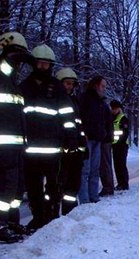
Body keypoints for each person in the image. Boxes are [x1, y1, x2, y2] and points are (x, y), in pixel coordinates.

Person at [0, 31, 32, 243]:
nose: (18, 62)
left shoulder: (10, 80)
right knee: (5, 184)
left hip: (16, 143)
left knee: (17, 186)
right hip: (2, 142)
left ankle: (11, 221)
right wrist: (5, 55)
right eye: (15, 55)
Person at [20, 44, 74, 231]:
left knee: (53, 185)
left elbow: (67, 114)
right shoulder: (24, 87)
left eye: (46, 64)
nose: (42, 67)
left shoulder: (56, 87)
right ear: (34, 64)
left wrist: (71, 137)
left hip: (52, 147)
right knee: (33, 188)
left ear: (50, 66)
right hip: (30, 148)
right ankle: (38, 217)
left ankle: (52, 215)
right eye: (40, 64)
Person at [56, 67, 87, 214]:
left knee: (73, 185)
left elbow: (78, 125)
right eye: (67, 83)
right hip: (62, 150)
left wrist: (82, 145)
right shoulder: (55, 99)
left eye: (72, 84)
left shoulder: (74, 101)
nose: (69, 86)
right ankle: (55, 216)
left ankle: (70, 212)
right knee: (59, 184)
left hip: (75, 150)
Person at [79, 75, 113, 203]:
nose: (104, 89)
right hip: (87, 139)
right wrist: (82, 132)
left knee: (95, 170)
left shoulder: (102, 102)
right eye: (103, 86)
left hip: (98, 139)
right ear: (96, 85)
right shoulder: (85, 98)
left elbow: (107, 119)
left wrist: (105, 134)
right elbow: (79, 117)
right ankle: (84, 200)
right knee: (85, 171)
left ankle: (93, 197)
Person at [109, 100, 129, 191]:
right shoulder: (111, 118)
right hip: (115, 145)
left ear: (119, 109)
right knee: (117, 165)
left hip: (122, 145)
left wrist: (119, 141)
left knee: (121, 164)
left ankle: (124, 184)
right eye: (112, 108)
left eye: (115, 108)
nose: (113, 110)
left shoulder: (123, 119)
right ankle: (120, 183)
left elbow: (125, 133)